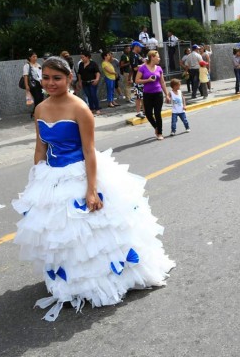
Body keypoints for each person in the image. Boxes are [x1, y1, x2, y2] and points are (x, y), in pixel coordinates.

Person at [12, 56, 175, 322]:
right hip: (51, 177)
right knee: (61, 235)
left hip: (80, 173)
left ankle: (99, 280)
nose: (51, 83)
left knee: (92, 235)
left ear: (69, 79)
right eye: (46, 78)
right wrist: (36, 181)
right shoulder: (40, 108)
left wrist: (91, 190)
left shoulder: (80, 108)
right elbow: (40, 148)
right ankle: (70, 281)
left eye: (57, 78)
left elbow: (89, 152)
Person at [135, 50, 170, 140]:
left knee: (157, 113)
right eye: (158, 57)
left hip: (158, 93)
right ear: (152, 57)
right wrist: (148, 80)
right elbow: (137, 80)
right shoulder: (142, 68)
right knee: (148, 114)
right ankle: (156, 127)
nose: (159, 58)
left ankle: (160, 133)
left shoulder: (159, 68)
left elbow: (162, 82)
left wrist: (167, 94)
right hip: (147, 94)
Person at [77, 51, 101, 115]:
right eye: (81, 57)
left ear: (87, 57)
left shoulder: (93, 64)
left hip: (92, 82)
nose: (82, 58)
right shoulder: (81, 64)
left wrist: (97, 79)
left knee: (93, 95)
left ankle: (97, 108)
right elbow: (79, 73)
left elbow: (97, 72)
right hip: (84, 82)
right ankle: (91, 108)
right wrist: (79, 81)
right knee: (88, 96)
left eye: (83, 57)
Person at [23, 50, 44, 117]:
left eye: (36, 56)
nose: (35, 58)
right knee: (37, 98)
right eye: (33, 56)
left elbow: (41, 75)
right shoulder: (27, 65)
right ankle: (35, 113)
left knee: (41, 98)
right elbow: (25, 76)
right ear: (30, 57)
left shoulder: (38, 65)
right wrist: (26, 86)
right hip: (33, 84)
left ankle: (35, 112)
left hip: (39, 83)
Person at [130, 41, 145, 118]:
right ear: (136, 46)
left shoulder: (137, 55)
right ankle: (138, 112)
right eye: (140, 47)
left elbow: (142, 60)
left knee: (143, 95)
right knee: (138, 96)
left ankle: (145, 111)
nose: (141, 48)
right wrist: (144, 65)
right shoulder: (132, 56)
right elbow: (135, 68)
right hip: (137, 79)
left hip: (142, 78)